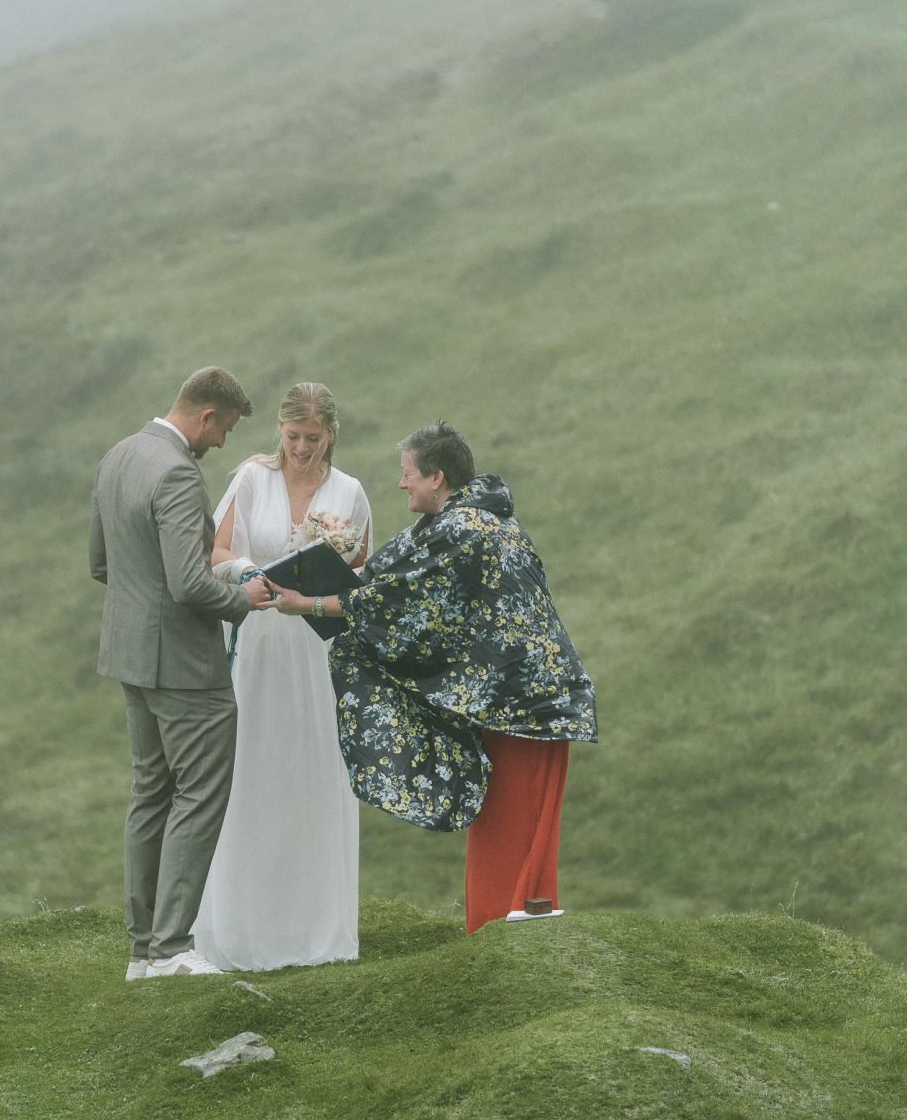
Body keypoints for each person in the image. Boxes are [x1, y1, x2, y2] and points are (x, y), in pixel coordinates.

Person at [261, 422, 596, 934]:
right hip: (537, 699)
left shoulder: (463, 528)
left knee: (508, 825)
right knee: (526, 825)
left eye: (408, 474)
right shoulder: (486, 521)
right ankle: (519, 929)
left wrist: (308, 602)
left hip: (523, 706)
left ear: (437, 478)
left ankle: (496, 934)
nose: (402, 485)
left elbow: (398, 601)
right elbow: (402, 579)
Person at [89, 367, 272, 978]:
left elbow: (101, 564)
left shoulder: (119, 456)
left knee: (149, 794)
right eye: (225, 431)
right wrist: (242, 600)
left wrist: (210, 577)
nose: (222, 444)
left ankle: (143, 951)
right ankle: (171, 949)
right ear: (206, 417)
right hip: (185, 668)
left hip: (131, 657)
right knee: (198, 795)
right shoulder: (175, 472)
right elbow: (188, 584)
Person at [191, 382, 373, 971]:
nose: (301, 449)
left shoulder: (350, 493)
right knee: (252, 774)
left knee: (313, 777)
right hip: (260, 640)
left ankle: (313, 931)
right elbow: (215, 552)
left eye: (313, 439)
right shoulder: (250, 479)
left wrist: (326, 577)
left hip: (316, 652)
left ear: (331, 437)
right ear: (280, 431)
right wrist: (251, 570)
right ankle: (244, 929)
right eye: (293, 437)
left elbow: (363, 573)